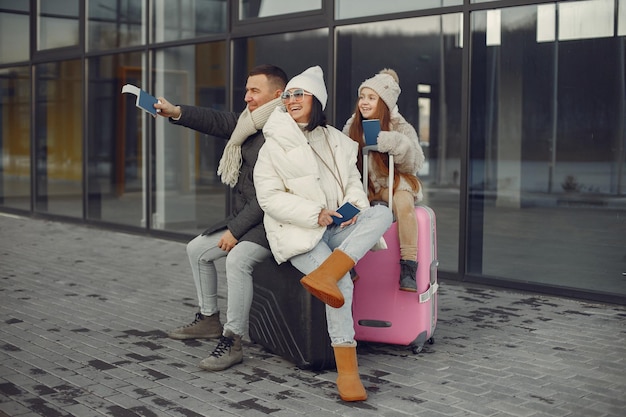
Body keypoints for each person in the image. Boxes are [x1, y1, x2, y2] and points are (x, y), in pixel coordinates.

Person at [254, 66, 393, 402]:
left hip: (337, 229)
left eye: (298, 93)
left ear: (316, 98)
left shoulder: (337, 141)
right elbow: (269, 199)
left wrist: (352, 210)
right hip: (299, 234)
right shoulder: (273, 144)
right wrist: (314, 214)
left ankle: (329, 272)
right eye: (286, 95)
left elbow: (353, 186)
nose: (291, 100)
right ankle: (348, 373)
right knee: (343, 285)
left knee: (382, 212)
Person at [154, 64, 288, 371]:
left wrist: (236, 231)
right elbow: (217, 120)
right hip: (250, 218)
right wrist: (176, 112)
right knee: (196, 250)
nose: (247, 97)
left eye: (255, 91)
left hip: (274, 223)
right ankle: (209, 319)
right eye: (247, 90)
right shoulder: (250, 122)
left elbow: (270, 198)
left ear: (276, 95)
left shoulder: (282, 131)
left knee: (237, 260)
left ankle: (233, 339)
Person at [342, 69, 425, 292]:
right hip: (366, 186)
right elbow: (343, 162)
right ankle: (344, 262)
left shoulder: (401, 127)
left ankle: (409, 265)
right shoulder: (352, 127)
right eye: (362, 97)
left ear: (384, 102)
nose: (364, 103)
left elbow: (414, 163)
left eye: (371, 98)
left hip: (395, 183)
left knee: (404, 206)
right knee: (344, 209)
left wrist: (396, 144)